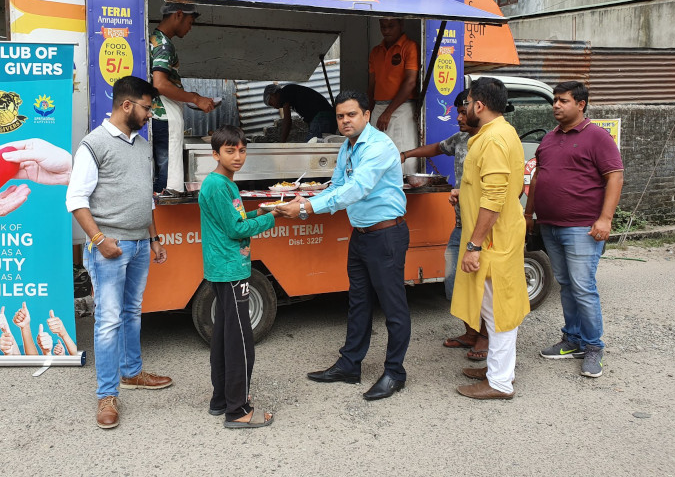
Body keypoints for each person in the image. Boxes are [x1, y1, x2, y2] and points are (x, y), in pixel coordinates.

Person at [277, 91, 410, 401]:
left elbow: (357, 188)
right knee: (358, 302)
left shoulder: (377, 147)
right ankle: (350, 365)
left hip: (386, 235)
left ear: (366, 115)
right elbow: (337, 186)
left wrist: (308, 210)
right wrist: (307, 199)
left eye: (351, 114)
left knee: (393, 308)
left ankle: (395, 372)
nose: (345, 120)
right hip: (361, 235)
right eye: (340, 116)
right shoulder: (348, 147)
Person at [66, 75, 172, 429]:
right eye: (146, 107)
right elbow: (76, 200)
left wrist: (154, 238)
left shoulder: (141, 146)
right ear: (127, 105)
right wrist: (98, 240)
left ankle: (131, 373)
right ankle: (106, 395)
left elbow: (147, 198)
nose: (149, 114)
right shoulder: (93, 145)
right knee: (108, 320)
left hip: (141, 244)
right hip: (109, 247)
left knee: (131, 312)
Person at [525, 80, 623, 378]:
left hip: (582, 227)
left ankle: (593, 347)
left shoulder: (597, 137)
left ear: (580, 104)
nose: (556, 105)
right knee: (566, 285)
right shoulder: (550, 139)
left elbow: (615, 177)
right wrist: (529, 213)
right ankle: (572, 339)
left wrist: (604, 219)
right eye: (554, 100)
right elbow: (539, 176)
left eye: (563, 100)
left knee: (583, 287)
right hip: (551, 225)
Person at [451, 77, 529, 400]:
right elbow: (489, 187)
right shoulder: (497, 133)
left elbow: (494, 198)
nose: (464, 108)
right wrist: (464, 191)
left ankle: (499, 382)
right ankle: (499, 370)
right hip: (496, 238)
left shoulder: (494, 140)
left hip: (492, 242)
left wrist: (473, 244)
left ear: (479, 106)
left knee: (498, 312)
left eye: (467, 103)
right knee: (494, 310)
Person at [198, 125, 277, 429]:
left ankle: (221, 400)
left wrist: (268, 211)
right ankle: (238, 410)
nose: (238, 156)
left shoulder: (223, 184)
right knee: (241, 341)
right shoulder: (218, 185)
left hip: (225, 268)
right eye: (230, 150)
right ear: (215, 153)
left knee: (223, 336)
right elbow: (236, 230)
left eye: (242, 150)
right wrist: (272, 219)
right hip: (231, 270)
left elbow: (238, 219)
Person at [400, 90, 489, 360]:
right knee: (455, 283)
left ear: (479, 109)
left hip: (482, 228)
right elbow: (438, 148)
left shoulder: (489, 142)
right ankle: (471, 332)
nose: (459, 118)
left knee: (482, 287)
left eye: (463, 113)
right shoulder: (461, 139)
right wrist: (407, 153)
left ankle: (485, 337)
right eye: (458, 113)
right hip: (460, 225)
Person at [150, 2, 217, 194]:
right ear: (178, 15)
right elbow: (160, 84)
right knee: (168, 176)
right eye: (190, 22)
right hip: (164, 117)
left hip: (157, 116)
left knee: (159, 172)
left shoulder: (154, 39)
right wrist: (196, 99)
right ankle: (163, 219)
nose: (190, 28)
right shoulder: (163, 45)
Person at [367, 18, 420, 174]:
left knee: (404, 158)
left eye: (391, 26)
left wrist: (388, 112)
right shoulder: (376, 51)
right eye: (383, 26)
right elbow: (371, 86)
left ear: (401, 25)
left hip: (402, 108)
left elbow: (410, 82)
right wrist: (367, 114)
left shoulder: (410, 47)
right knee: (377, 156)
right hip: (378, 107)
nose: (386, 30)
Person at [263, 83, 337, 142]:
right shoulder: (291, 92)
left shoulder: (285, 92)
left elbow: (287, 121)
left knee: (311, 148)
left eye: (272, 103)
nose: (275, 107)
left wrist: (282, 143)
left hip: (322, 118)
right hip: (328, 118)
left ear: (272, 95)